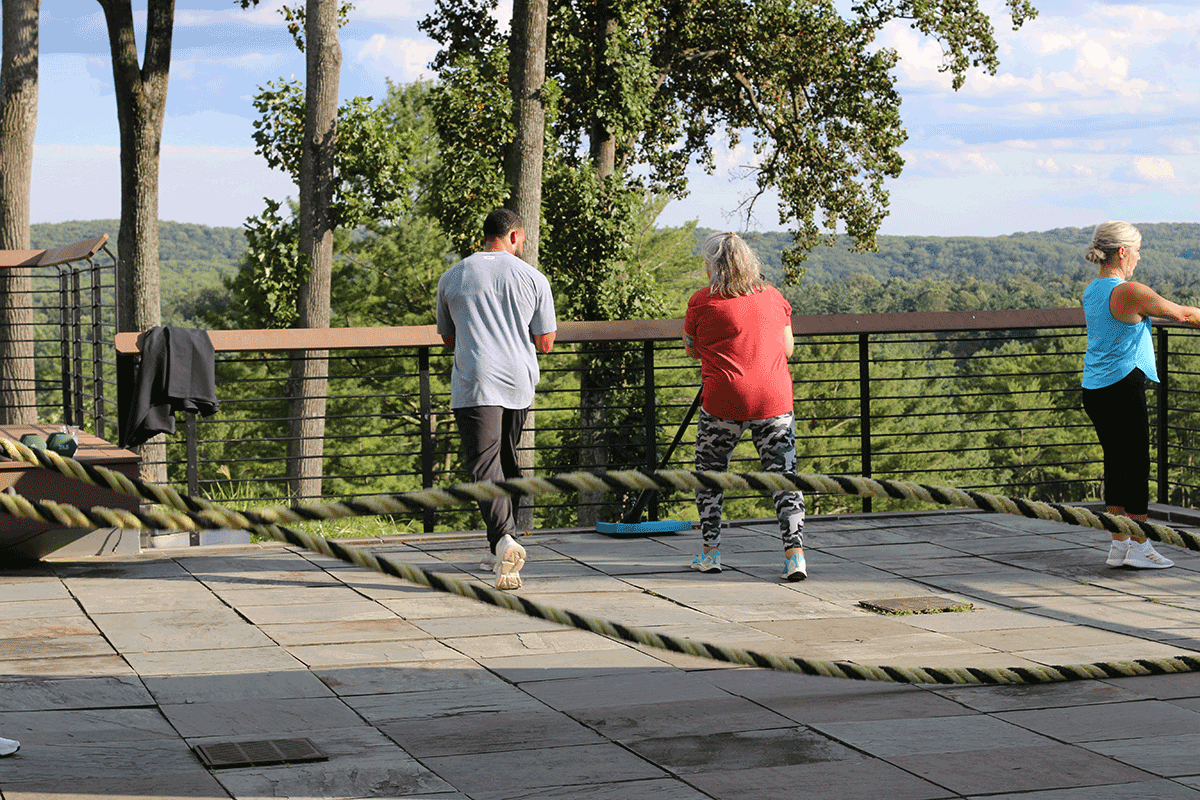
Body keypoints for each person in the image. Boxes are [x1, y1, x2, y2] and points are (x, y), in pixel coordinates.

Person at [436, 209, 557, 589]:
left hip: (475, 383)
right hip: (518, 382)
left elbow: (448, 338)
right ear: (516, 236)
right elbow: (546, 343)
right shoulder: (533, 278)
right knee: (505, 460)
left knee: (485, 465)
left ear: (485, 235)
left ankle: (504, 538)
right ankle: (500, 544)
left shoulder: (452, 276)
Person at [684, 232, 807, 580]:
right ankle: (794, 555)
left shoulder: (702, 302)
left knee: (710, 473)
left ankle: (711, 552)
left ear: (712, 265)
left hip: (725, 399)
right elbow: (787, 349)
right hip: (774, 400)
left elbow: (692, 348)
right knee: (783, 476)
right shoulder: (773, 297)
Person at [1081, 220, 1200, 569]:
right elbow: (1184, 314)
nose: (1138, 257)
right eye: (1136, 251)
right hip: (1121, 388)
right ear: (1122, 252)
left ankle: (1119, 545)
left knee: (1116, 463)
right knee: (1135, 465)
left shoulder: (1094, 290)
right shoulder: (1128, 291)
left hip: (1096, 389)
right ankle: (1140, 544)